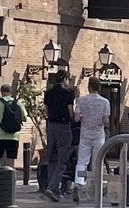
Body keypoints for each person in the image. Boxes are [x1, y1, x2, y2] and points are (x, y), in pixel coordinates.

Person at [38, 71, 77, 199]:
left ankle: (50, 186)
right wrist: (73, 120)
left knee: (52, 157)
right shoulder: (68, 93)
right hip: (63, 126)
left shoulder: (48, 93)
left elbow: (46, 110)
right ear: (65, 79)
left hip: (51, 126)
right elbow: (70, 112)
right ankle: (53, 188)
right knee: (63, 159)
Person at [70, 76, 112, 190]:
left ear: (89, 87)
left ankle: (78, 182)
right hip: (98, 135)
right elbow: (106, 121)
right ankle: (95, 184)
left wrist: (85, 117)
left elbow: (77, 118)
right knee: (97, 160)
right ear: (99, 87)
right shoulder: (105, 102)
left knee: (82, 161)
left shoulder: (81, 100)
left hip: (85, 134)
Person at [0, 83, 27, 180]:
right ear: (10, 92)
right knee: (11, 160)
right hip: (14, 136)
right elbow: (25, 117)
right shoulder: (18, 103)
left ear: (1, 92)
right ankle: (10, 180)